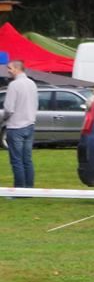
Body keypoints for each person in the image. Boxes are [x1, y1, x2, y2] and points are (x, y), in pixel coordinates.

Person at [3, 60, 39, 189]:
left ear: (17, 69)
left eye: (10, 68)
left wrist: (4, 119)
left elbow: (9, 108)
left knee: (17, 160)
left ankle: (19, 189)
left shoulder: (14, 85)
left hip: (16, 126)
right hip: (29, 125)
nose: (8, 70)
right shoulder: (32, 83)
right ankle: (29, 188)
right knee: (27, 160)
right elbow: (36, 104)